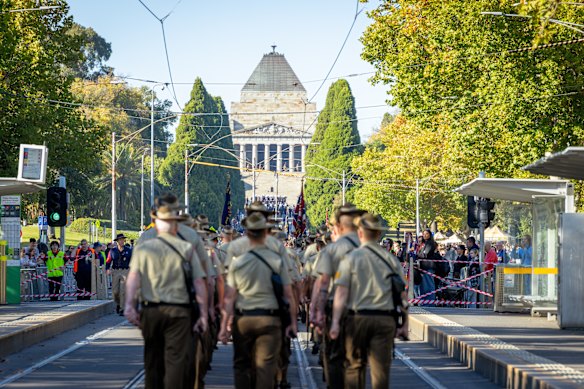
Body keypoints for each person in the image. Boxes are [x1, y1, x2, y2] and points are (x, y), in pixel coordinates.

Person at [124, 200, 208, 389]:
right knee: (175, 361)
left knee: (152, 361)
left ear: (157, 222)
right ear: (175, 223)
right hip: (179, 312)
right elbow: (199, 282)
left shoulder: (144, 247)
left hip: (152, 311)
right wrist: (203, 313)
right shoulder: (186, 248)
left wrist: (129, 305)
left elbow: (133, 278)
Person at [218, 212, 297, 389]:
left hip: (243, 319)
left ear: (247, 234)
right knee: (266, 367)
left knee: (241, 365)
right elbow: (288, 294)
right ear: (265, 233)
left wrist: (225, 325)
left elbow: (230, 297)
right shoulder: (277, 260)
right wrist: (291, 322)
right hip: (270, 319)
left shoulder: (238, 263)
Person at [330, 213, 408, 389]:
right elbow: (402, 295)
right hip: (385, 320)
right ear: (379, 234)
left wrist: (335, 322)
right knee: (380, 370)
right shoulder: (391, 260)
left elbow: (341, 293)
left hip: (357, 319)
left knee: (353, 366)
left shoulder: (350, 258)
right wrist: (405, 324)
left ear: (360, 233)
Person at [313, 204, 364, 389]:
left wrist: (316, 312)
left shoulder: (331, 250)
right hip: (364, 310)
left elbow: (323, 284)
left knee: (334, 356)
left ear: (339, 227)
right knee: (356, 360)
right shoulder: (371, 249)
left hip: (336, 308)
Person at [107, 233, 133, 315]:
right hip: (116, 271)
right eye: (120, 240)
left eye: (122, 240)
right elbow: (108, 261)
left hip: (125, 271)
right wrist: (107, 269)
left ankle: (122, 308)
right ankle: (118, 304)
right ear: (117, 241)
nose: (121, 241)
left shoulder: (129, 250)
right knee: (115, 291)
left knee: (123, 291)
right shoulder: (112, 251)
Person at [417, 229, 439, 295]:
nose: (425, 235)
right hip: (423, 267)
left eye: (426, 234)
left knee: (429, 285)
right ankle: (425, 301)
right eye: (423, 234)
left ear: (430, 235)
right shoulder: (424, 244)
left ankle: (430, 302)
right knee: (424, 286)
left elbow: (425, 254)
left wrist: (417, 254)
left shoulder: (430, 243)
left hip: (428, 266)